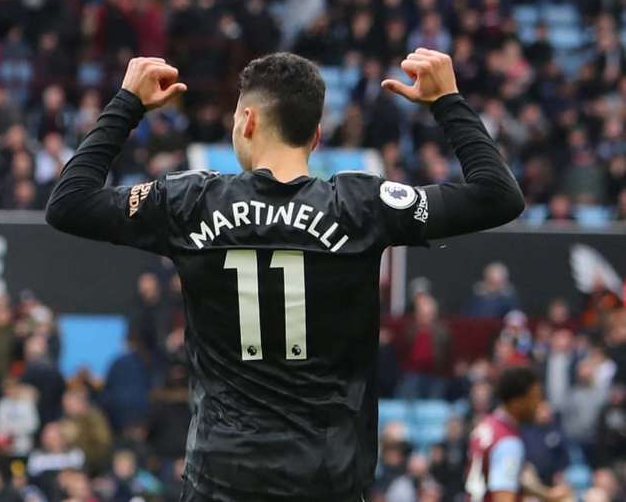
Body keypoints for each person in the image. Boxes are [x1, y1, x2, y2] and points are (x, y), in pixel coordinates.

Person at [46, 50, 525, 500]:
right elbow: (498, 195)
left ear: (248, 121)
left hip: (221, 477)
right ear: (316, 136)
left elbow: (69, 203)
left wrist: (127, 105)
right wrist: (447, 102)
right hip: (328, 480)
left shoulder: (190, 204)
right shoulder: (360, 206)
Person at [465, 366, 570, 502]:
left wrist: (547, 495)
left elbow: (503, 479)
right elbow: (502, 497)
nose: (538, 404)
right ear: (517, 402)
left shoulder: (487, 425)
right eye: (535, 397)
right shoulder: (508, 442)